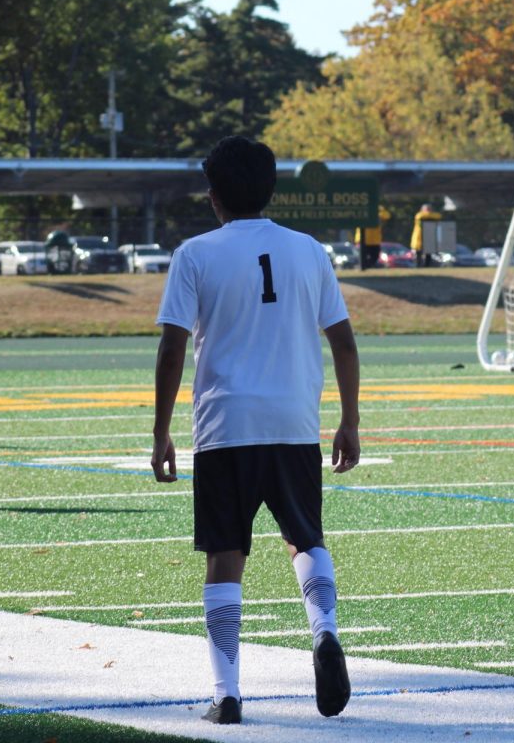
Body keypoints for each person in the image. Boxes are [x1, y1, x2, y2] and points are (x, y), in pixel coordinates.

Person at [151, 136, 360, 723]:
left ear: (213, 196)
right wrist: (349, 420)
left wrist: (162, 432)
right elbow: (342, 342)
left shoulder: (195, 253)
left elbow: (171, 350)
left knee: (225, 554)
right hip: (294, 422)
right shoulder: (309, 251)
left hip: (225, 424)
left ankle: (228, 694)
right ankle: (323, 630)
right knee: (305, 538)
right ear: (273, 190)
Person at [411, 203, 442, 267]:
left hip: (428, 236)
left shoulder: (434, 215)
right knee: (418, 253)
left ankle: (427, 266)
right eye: (426, 209)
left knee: (428, 253)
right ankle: (418, 265)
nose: (428, 210)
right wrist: (429, 214)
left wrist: (429, 214)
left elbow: (438, 216)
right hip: (419, 237)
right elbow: (420, 216)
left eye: (429, 209)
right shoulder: (419, 215)